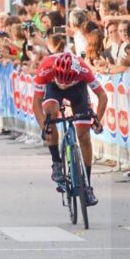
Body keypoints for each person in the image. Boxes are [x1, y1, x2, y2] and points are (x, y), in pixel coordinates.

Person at [33, 52, 107, 206]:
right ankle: (56, 162)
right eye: (62, 82)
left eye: (67, 82)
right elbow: (37, 102)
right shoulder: (45, 68)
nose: (64, 85)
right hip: (52, 88)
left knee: (84, 136)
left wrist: (97, 119)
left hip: (78, 88)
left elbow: (102, 96)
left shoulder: (83, 70)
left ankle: (87, 186)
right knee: (51, 113)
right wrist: (44, 126)